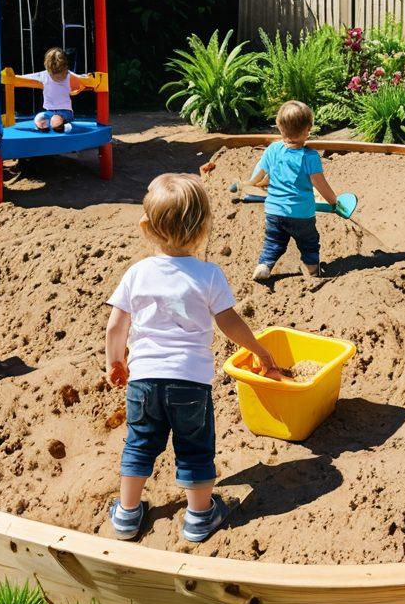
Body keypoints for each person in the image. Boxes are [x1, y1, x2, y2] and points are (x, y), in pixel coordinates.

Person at [104, 173, 281, 543]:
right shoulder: (208, 275)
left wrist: (115, 362)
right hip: (191, 383)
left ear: (145, 227)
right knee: (195, 447)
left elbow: (115, 326)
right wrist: (259, 351)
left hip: (144, 381)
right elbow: (229, 323)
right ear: (203, 228)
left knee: (139, 444)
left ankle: (126, 514)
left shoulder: (137, 273)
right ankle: (199, 516)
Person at [248, 100, 338, 282]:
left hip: (273, 211)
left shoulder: (273, 149)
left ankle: (264, 266)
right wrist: (334, 202)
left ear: (280, 129)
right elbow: (320, 184)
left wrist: (253, 183)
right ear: (308, 130)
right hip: (301, 214)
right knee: (309, 243)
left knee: (273, 242)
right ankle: (313, 271)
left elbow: (257, 174)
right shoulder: (310, 156)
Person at [23, 47, 77, 132]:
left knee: (55, 120)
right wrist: (12, 78)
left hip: (65, 113)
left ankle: (62, 126)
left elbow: (83, 80)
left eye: (61, 73)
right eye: (55, 74)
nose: (58, 77)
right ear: (49, 69)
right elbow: (26, 78)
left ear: (65, 68)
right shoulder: (44, 75)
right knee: (39, 118)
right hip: (49, 112)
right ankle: (48, 129)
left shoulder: (70, 76)